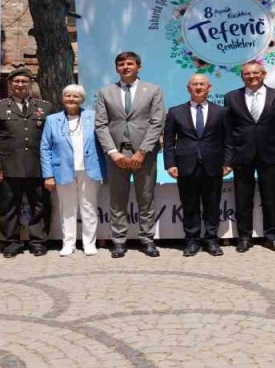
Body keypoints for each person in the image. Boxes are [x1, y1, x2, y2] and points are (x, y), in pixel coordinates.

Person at [94, 51, 166, 258]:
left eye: (129, 63)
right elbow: (101, 125)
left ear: (138, 67)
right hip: (116, 154)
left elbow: (157, 122)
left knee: (146, 197)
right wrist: (113, 153)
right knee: (117, 199)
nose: (125, 67)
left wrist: (142, 151)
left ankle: (147, 239)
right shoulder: (105, 92)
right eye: (121, 64)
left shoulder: (153, 90)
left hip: (145, 154)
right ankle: (119, 241)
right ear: (116, 68)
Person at [0, 68, 56, 257]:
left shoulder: (45, 107)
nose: (20, 85)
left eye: (24, 81)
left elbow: (52, 138)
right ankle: (11, 242)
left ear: (30, 84)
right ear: (10, 84)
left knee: (39, 204)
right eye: (16, 81)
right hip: (9, 165)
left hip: (38, 165)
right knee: (9, 205)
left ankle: (38, 241)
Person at [224, 61, 275, 253]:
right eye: (247, 74)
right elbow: (228, 131)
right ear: (242, 76)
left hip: (270, 153)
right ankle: (244, 237)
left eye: (255, 73)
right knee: (243, 199)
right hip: (241, 154)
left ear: (264, 74)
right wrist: (228, 158)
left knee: (270, 198)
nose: (251, 76)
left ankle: (272, 236)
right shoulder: (231, 97)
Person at [164, 74, 229, 257]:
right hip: (186, 166)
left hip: (213, 165)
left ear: (209, 88)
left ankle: (211, 240)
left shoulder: (221, 112)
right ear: (188, 88)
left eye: (202, 84)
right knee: (189, 205)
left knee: (212, 205)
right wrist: (170, 164)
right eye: (194, 84)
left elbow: (228, 140)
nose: (198, 87)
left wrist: (228, 162)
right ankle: (192, 241)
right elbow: (168, 142)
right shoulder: (175, 112)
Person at [41, 84, 104, 256]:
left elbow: (103, 141)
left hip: (89, 169)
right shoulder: (52, 120)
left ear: (82, 99)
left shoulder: (93, 117)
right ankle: (68, 244)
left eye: (76, 96)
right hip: (63, 170)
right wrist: (48, 175)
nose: (71, 99)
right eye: (67, 95)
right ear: (62, 98)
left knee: (89, 207)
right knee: (67, 209)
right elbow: (45, 148)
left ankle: (89, 243)